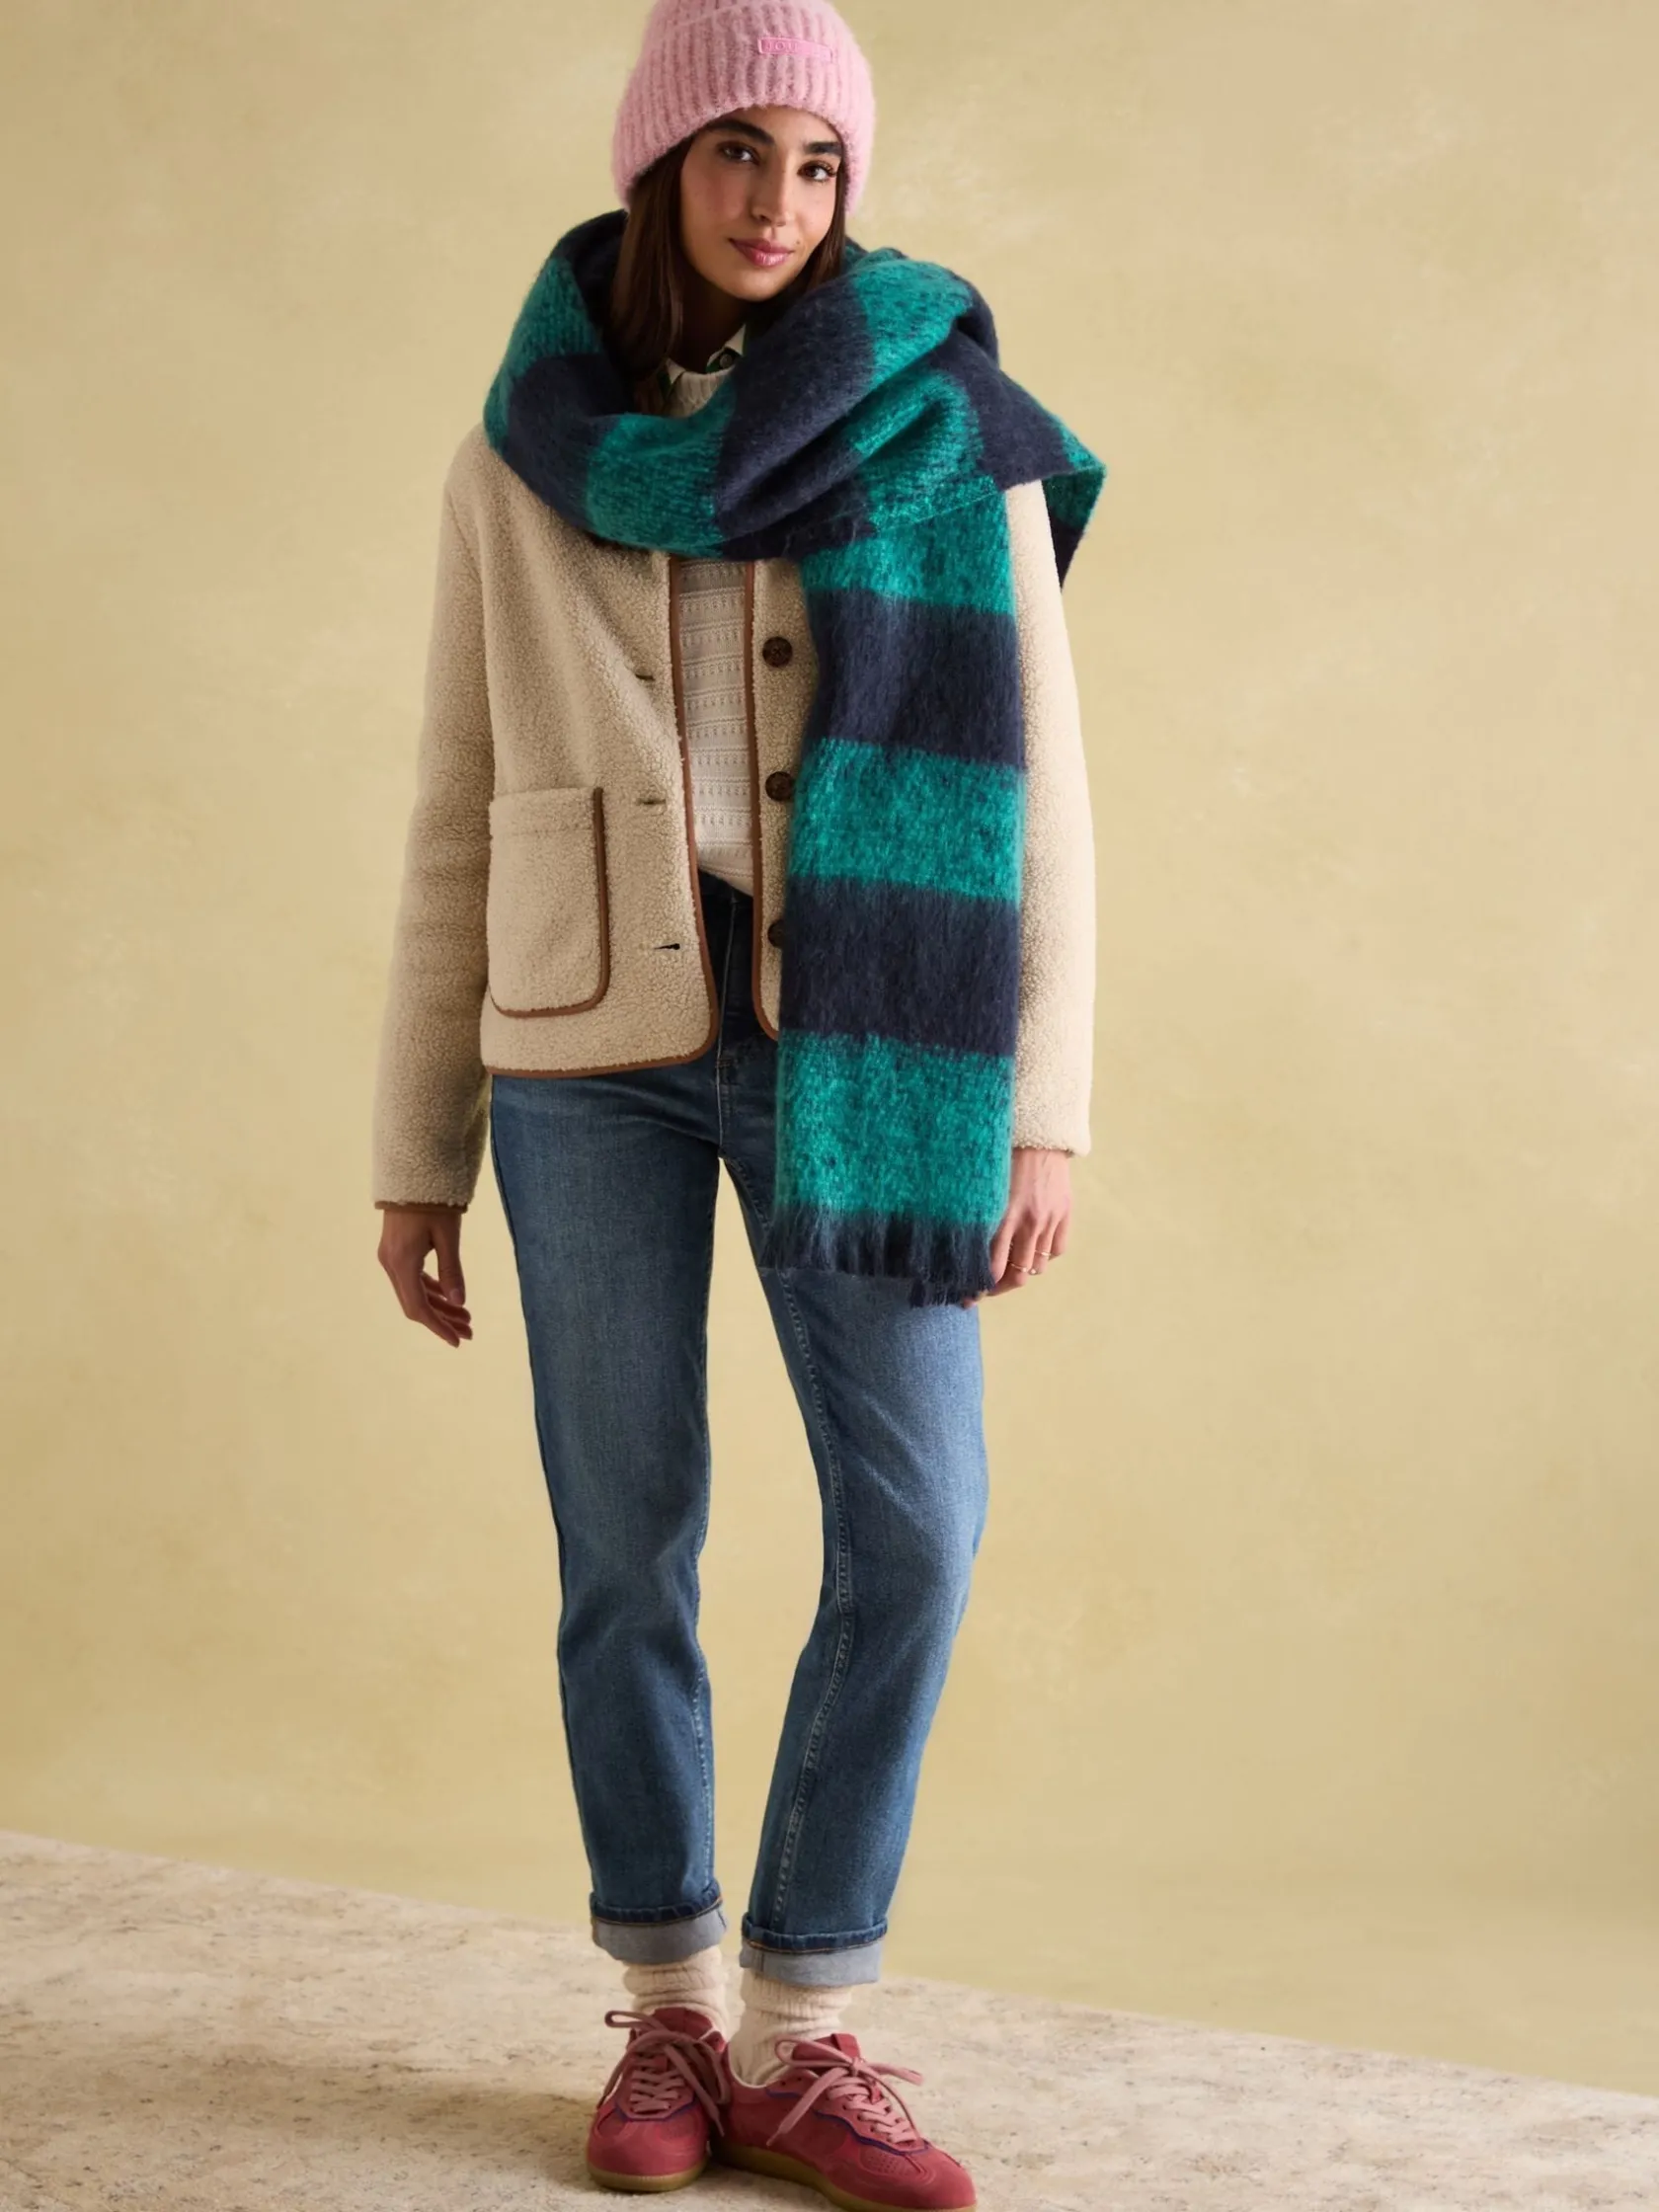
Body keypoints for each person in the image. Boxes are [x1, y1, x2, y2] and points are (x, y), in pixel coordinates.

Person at [370, 1, 1103, 2201]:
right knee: (626, 1540)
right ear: (658, 166)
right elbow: (453, 807)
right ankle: (671, 2009)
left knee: (918, 1525)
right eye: (738, 153)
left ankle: (806, 2025)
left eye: (819, 161)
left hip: (864, 1043)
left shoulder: (947, 431)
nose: (781, 200)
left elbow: (1045, 802)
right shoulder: (520, 452)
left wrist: (1040, 1110)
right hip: (578, 1055)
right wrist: (414, 1150)